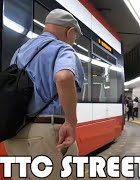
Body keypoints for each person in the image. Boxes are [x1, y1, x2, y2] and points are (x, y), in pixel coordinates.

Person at [3, 9, 84, 179]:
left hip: (15, 132)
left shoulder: (20, 52)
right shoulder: (63, 48)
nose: (74, 42)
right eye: (75, 36)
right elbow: (63, 76)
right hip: (48, 134)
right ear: (69, 31)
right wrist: (71, 122)